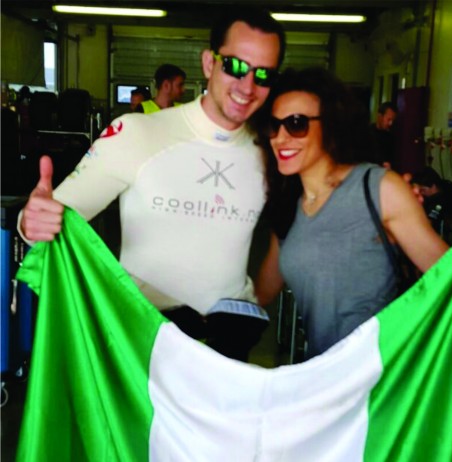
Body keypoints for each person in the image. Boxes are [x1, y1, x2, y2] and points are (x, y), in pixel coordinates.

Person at [18, 7, 286, 362]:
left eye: (263, 75)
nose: (248, 86)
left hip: (227, 351)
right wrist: (29, 221)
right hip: (144, 346)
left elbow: (292, 228)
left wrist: (257, 302)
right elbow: (49, 218)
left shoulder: (273, 150)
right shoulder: (137, 132)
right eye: (235, 66)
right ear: (209, 63)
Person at [253, 67, 452, 359]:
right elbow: (262, 293)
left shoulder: (378, 189)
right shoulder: (289, 205)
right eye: (273, 125)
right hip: (326, 375)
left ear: (330, 126)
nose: (280, 138)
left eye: (296, 124)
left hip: (386, 372)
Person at [369, 101, 398, 169]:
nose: (391, 123)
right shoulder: (367, 132)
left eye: (392, 120)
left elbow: (392, 158)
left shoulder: (390, 137)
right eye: (388, 119)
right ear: (380, 116)